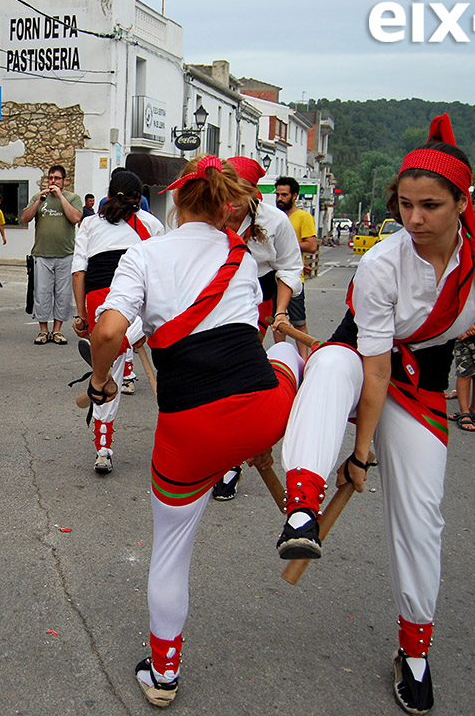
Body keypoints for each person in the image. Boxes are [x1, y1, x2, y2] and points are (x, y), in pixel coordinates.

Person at [273, 118, 475, 716]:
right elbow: (375, 370)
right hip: (364, 361)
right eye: (407, 205)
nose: (414, 219)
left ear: (462, 205)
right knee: (329, 372)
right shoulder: (383, 262)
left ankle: (414, 653)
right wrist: (360, 453)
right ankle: (303, 508)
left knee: (422, 520)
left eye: (431, 206)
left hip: (423, 385)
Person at [87, 155, 303, 707]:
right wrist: (253, 437)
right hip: (261, 411)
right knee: (294, 352)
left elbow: (108, 329)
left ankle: (163, 675)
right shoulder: (243, 258)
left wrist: (100, 382)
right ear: (224, 202)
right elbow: (244, 334)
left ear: (177, 202)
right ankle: (304, 492)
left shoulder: (145, 254)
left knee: (171, 552)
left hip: (191, 428)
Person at [210, 157, 304, 501]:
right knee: (216, 377)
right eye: (224, 194)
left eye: (236, 195)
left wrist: (280, 312)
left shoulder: (275, 221)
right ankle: (219, 449)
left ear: (252, 192)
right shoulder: (210, 211)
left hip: (259, 300)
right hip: (215, 294)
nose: (229, 204)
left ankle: (232, 463)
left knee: (238, 377)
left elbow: (290, 268)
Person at [71, 169, 165, 474]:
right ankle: (128, 344)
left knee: (109, 362)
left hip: (100, 304)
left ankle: (103, 447)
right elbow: (162, 272)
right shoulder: (151, 224)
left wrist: (81, 315)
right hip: (137, 300)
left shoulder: (88, 224)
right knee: (161, 358)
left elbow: (78, 272)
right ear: (140, 199)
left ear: (109, 194)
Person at [21, 164, 82, 345]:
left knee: (63, 295)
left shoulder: (73, 198)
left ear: (64, 181)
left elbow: (76, 218)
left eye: (57, 178)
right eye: (50, 178)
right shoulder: (38, 198)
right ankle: (43, 330)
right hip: (42, 254)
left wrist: (60, 197)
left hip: (65, 254)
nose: (53, 181)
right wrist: (39, 201)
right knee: (42, 293)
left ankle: (57, 331)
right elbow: (24, 218)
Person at [275, 176, 318, 357]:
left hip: (293, 280)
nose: (279, 199)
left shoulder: (304, 217)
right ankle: (280, 357)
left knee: (299, 322)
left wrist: (288, 243)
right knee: (277, 322)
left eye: (284, 195)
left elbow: (312, 245)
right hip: (273, 277)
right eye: (277, 194)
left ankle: (304, 361)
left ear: (294, 196)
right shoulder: (274, 217)